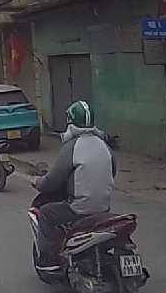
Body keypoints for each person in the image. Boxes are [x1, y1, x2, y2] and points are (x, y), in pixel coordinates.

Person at [32, 100, 115, 271]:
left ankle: (49, 261)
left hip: (79, 208)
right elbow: (113, 170)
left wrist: (39, 182)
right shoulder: (104, 145)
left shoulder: (72, 146)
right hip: (104, 208)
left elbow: (53, 180)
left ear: (70, 121)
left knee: (46, 213)